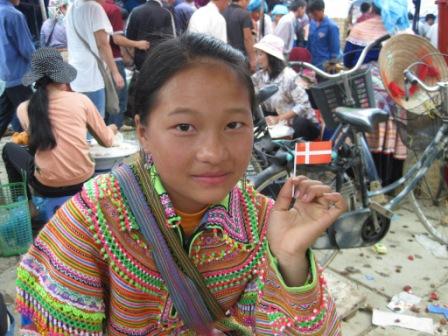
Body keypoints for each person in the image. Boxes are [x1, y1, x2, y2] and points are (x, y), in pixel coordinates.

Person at [16, 33, 345, 335]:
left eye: (234, 124)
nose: (214, 153)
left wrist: (290, 259)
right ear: (144, 132)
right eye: (185, 127)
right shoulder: (92, 222)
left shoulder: (260, 221)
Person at [2, 48, 117, 206]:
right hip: (83, 181)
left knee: (9, 149)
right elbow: (107, 141)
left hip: (46, 186)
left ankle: (27, 207)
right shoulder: (81, 101)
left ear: (36, 79)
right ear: (62, 78)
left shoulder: (24, 108)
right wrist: (112, 128)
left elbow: (40, 139)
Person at [343, 1, 407, 186]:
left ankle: (363, 183)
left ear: (371, 7)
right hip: (395, 95)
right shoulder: (403, 32)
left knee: (363, 133)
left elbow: (348, 61)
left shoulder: (359, 29)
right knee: (392, 135)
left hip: (365, 93)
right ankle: (389, 186)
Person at [252, 34, 320, 140]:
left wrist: (279, 119)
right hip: (275, 122)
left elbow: (304, 105)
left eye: (260, 54)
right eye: (257, 54)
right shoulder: (259, 77)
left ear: (271, 56)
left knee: (300, 124)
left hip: (299, 124)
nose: (257, 59)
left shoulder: (289, 76)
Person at [65, 0, 125, 118]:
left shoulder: (71, 8)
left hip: (75, 73)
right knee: (96, 123)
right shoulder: (95, 9)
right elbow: (103, 44)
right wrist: (115, 72)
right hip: (91, 75)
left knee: (83, 121)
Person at [102, 0, 150, 129]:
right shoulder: (113, 9)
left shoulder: (88, 8)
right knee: (119, 95)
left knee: (106, 96)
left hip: (98, 60)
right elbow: (117, 39)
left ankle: (108, 127)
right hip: (114, 58)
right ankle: (116, 126)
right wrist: (137, 44)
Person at [0, 0, 35, 137]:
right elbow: (26, 49)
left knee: (4, 117)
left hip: (5, 74)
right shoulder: (14, 15)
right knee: (32, 119)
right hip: (19, 75)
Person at [223, 0, 257, 72]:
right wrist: (252, 59)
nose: (248, 4)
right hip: (240, 57)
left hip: (225, 56)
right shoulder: (244, 14)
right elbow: (247, 38)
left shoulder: (223, 11)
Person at [307, 0, 340, 70]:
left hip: (324, 66)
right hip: (312, 64)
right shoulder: (312, 23)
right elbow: (309, 43)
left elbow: (335, 50)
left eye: (315, 14)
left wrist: (331, 66)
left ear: (322, 10)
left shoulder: (332, 26)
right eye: (311, 14)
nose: (313, 17)